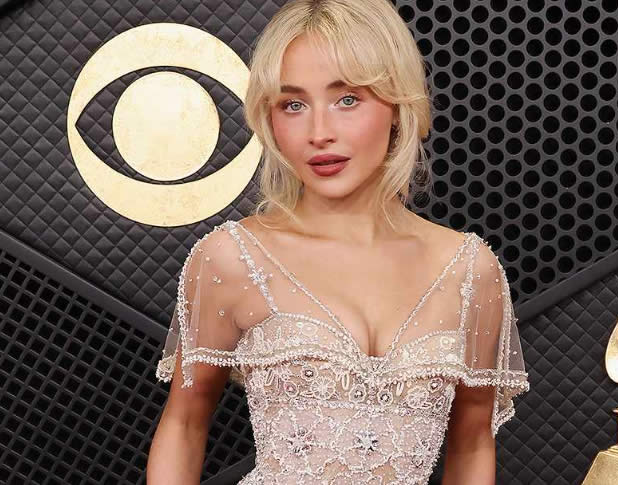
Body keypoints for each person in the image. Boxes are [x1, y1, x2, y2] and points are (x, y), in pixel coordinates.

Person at [147, 0, 530, 483]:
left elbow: (473, 443)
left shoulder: (470, 271)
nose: (319, 133)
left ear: (398, 105)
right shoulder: (231, 258)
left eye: (347, 99)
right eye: (293, 105)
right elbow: (183, 423)